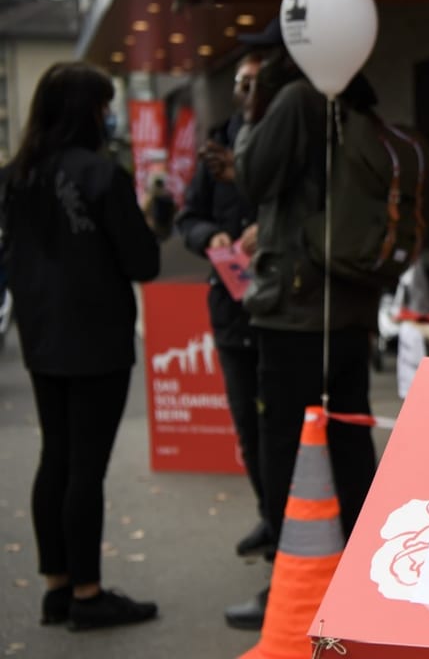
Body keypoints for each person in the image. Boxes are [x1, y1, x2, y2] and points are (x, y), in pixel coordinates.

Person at [225, 20, 380, 630]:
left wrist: (248, 114)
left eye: (261, 59)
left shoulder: (294, 100)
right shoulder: (355, 98)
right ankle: (364, 573)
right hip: (345, 302)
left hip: (294, 308)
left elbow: (253, 177)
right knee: (347, 436)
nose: (254, 70)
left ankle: (291, 585)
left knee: (285, 447)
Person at [0, 62, 160, 630]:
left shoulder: (16, 176)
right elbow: (143, 260)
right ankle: (89, 595)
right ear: (89, 111)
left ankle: (57, 588)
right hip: (96, 340)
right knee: (85, 468)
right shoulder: (101, 175)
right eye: (105, 104)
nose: (109, 114)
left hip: (41, 337)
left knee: (56, 456)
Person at [175, 53, 274, 567]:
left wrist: (270, 232)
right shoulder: (219, 139)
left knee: (280, 422)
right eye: (241, 83)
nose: (247, 91)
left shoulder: (284, 135)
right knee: (246, 422)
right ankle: (267, 512)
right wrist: (207, 235)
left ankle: (287, 525)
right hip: (230, 306)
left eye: (255, 83)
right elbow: (187, 215)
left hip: (281, 307)